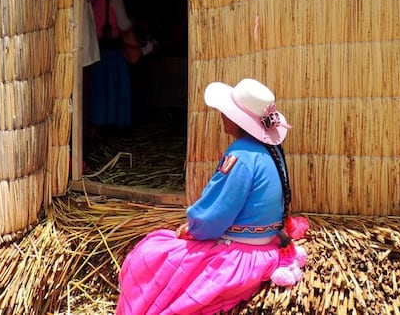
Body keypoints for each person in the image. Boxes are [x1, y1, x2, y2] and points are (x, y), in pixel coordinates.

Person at [115, 78, 310, 315]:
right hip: (266, 248)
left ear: (239, 121)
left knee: (150, 253)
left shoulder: (240, 157)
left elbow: (215, 214)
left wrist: (191, 228)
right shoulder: (271, 150)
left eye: (227, 112)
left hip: (239, 260)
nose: (222, 115)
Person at [84, 0, 151, 134]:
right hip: (110, 52)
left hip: (91, 49)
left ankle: (94, 128)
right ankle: (113, 130)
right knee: (112, 90)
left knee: (95, 92)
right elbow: (123, 25)